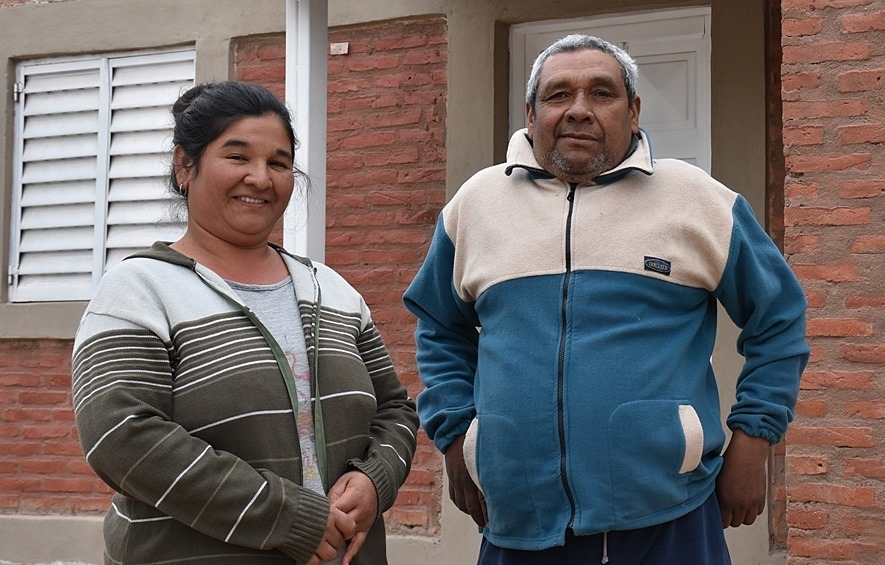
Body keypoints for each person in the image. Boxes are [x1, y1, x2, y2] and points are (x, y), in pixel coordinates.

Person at [403, 34, 809, 564]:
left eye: (601, 93)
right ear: (530, 114)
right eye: (558, 95)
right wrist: (457, 436)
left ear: (633, 112)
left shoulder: (697, 199)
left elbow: (779, 317)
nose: (579, 110)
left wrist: (754, 440)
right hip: (519, 520)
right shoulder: (476, 206)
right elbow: (439, 328)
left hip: (670, 516)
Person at [72, 81, 418, 565]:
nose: (260, 178)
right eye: (237, 157)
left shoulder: (330, 290)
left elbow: (396, 409)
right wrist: (287, 517)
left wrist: (375, 479)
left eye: (278, 163)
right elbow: (121, 437)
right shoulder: (139, 291)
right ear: (184, 166)